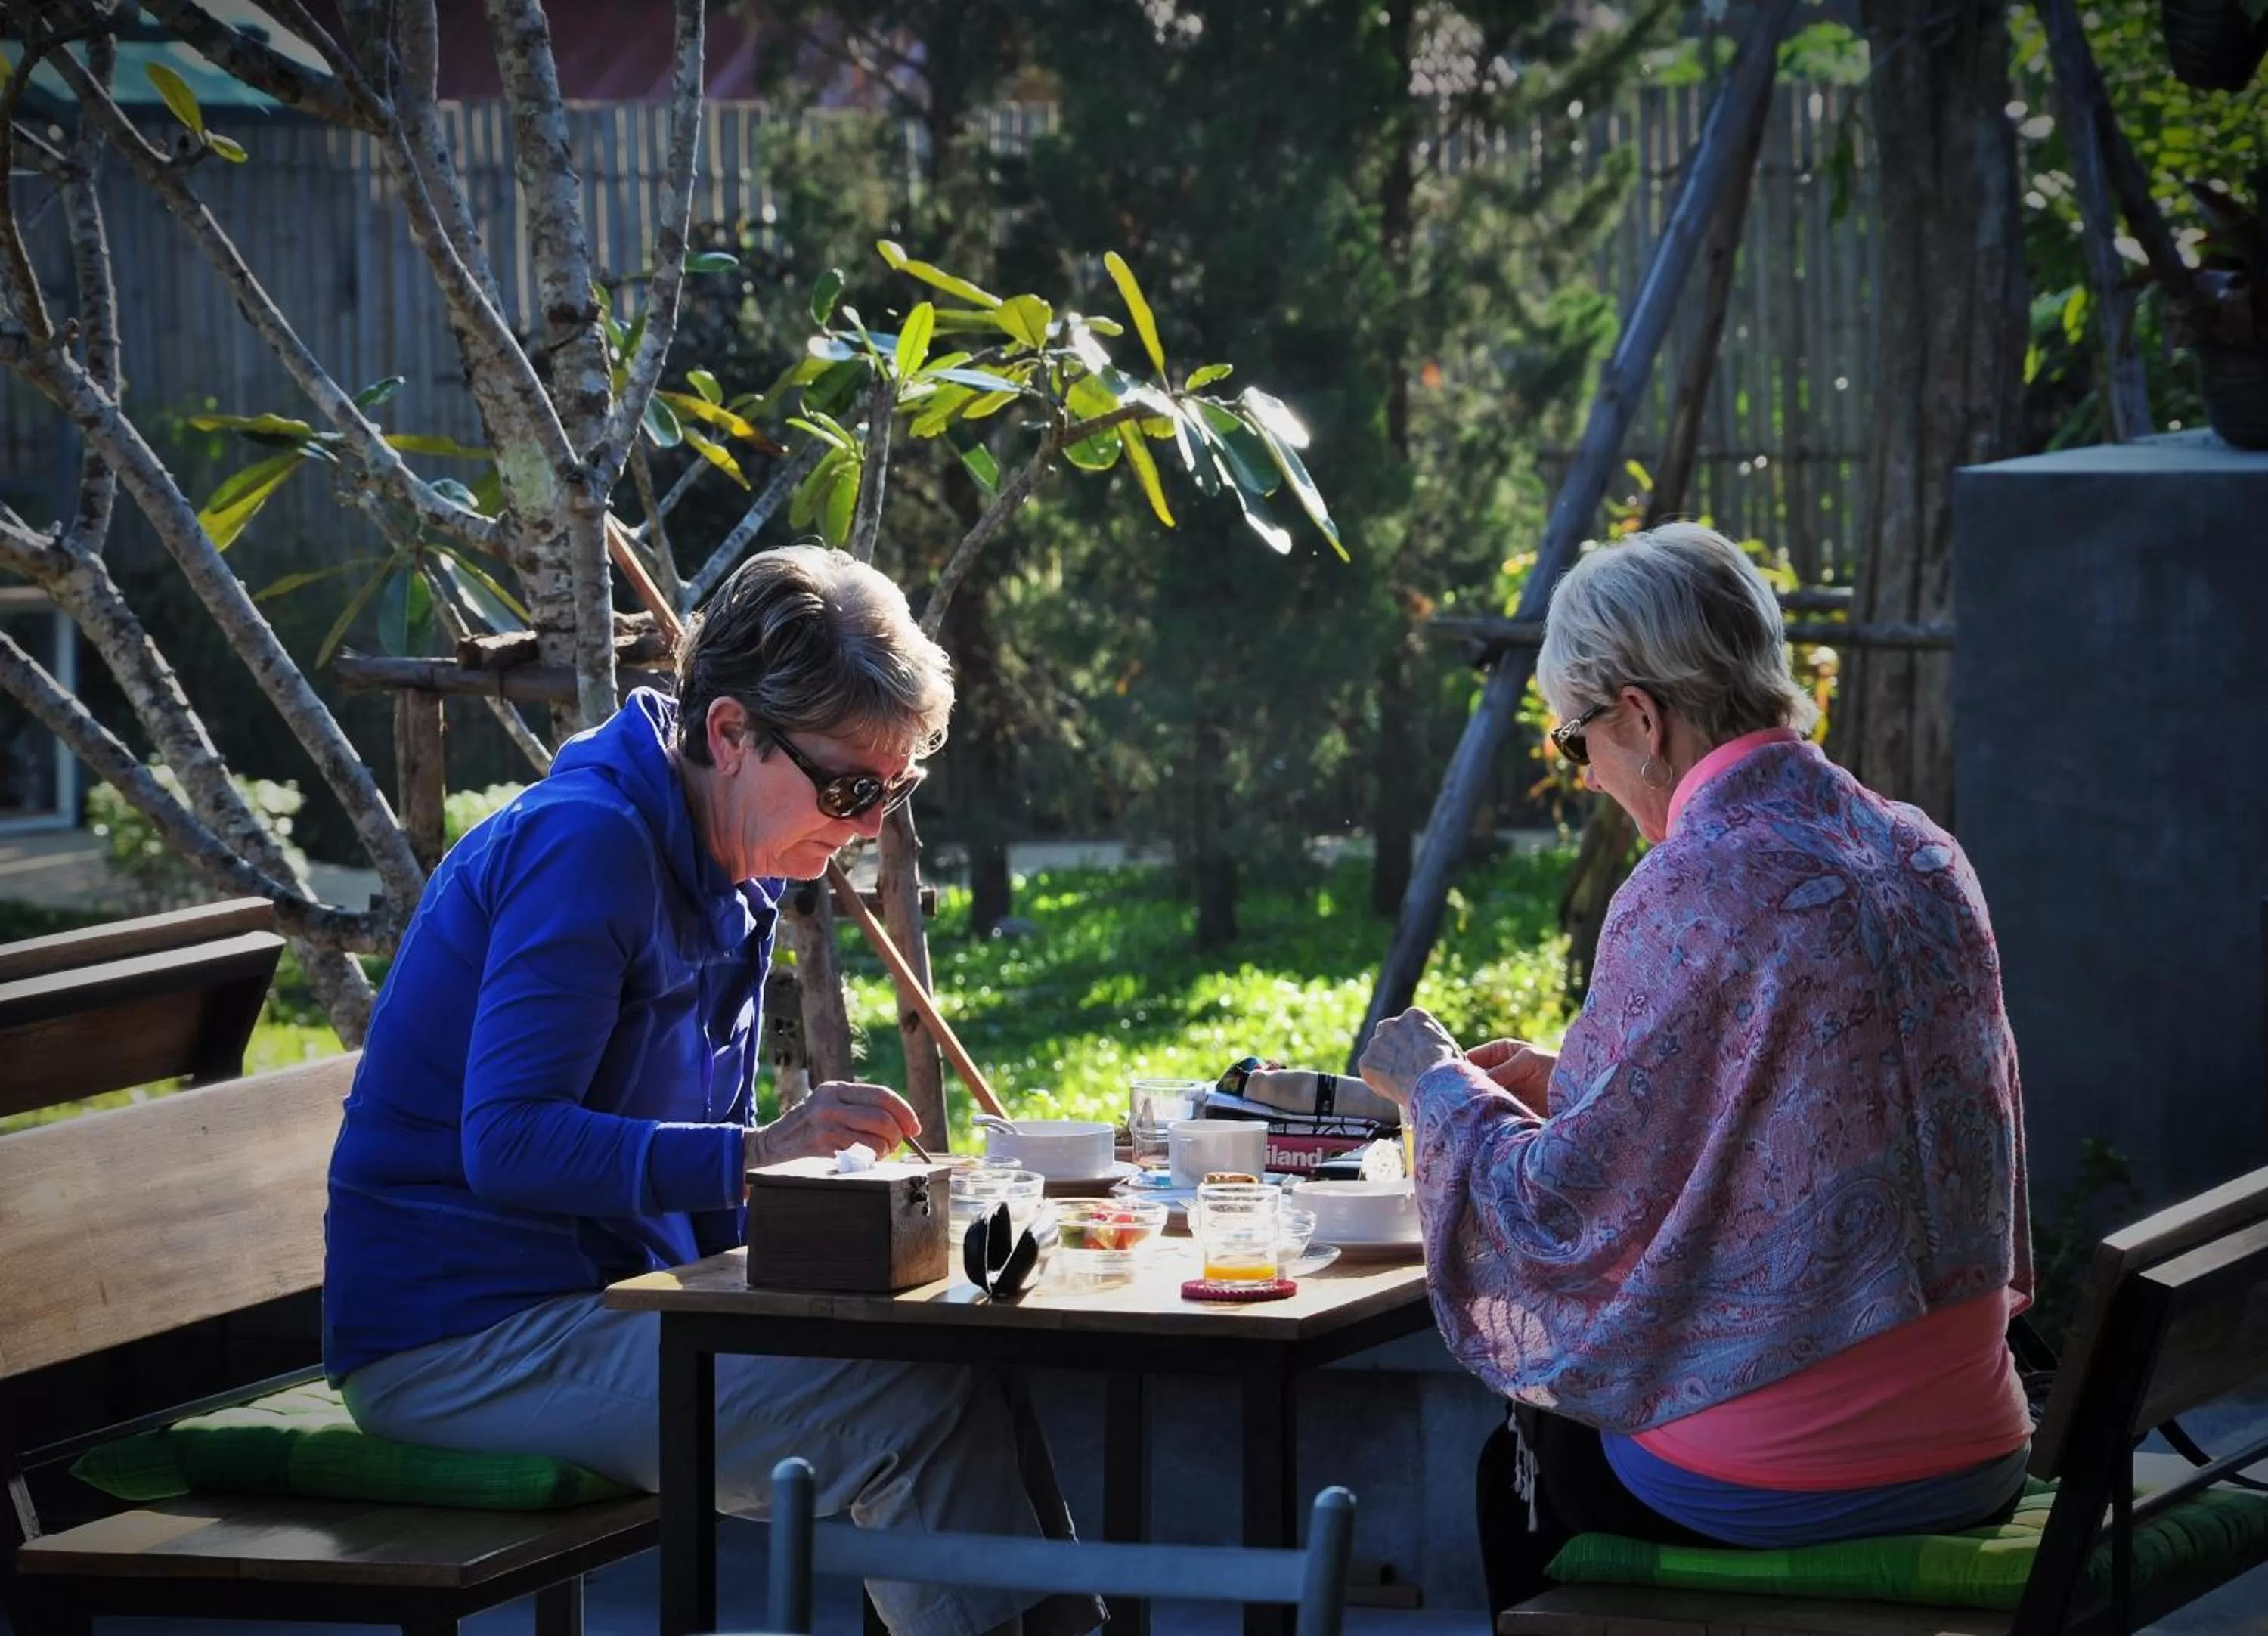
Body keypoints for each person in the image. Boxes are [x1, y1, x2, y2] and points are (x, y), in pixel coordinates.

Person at [326, 544, 1094, 1636]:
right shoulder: (589, 845)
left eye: (897, 787)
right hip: (455, 1342)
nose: (871, 823)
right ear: (730, 732)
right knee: (902, 1408)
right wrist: (755, 1156)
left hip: (595, 1303)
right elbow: (507, 1143)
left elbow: (687, 1181)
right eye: (850, 786)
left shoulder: (732, 855)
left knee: (962, 1356)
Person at [1358, 524, 2031, 1607]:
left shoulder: (1690, 884)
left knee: (1526, 1464)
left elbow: (1559, 1211)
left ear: (1640, 716)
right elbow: (1790, 1113)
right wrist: (1564, 1083)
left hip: (1791, 1477)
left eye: (1574, 741)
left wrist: (1437, 1087)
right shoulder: (1921, 850)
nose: (1581, 777)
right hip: (1981, 1444)